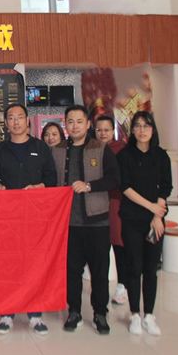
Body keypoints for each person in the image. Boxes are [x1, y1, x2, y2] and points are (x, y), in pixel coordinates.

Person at [51, 105, 119, 335]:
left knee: (99, 271)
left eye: (79, 121)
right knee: (71, 271)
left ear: (88, 124)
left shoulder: (100, 148)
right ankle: (74, 311)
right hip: (68, 223)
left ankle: (100, 313)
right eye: (70, 122)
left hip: (97, 222)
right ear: (65, 124)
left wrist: (90, 186)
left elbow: (114, 179)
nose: (75, 126)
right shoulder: (57, 150)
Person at [0, 103, 57, 335]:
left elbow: (51, 178)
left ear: (27, 120)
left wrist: (39, 187)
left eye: (20, 117)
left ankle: (35, 314)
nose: (16, 121)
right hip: (6, 217)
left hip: (34, 217)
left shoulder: (41, 147)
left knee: (33, 265)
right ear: (6, 123)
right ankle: (6, 313)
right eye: (11, 118)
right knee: (7, 265)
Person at [118, 111, 172, 336]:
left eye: (146, 126)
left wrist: (157, 216)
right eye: (138, 126)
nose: (142, 130)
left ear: (153, 129)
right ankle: (134, 315)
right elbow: (125, 187)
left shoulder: (161, 156)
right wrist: (151, 207)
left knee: (151, 268)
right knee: (134, 267)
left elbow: (165, 187)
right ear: (132, 130)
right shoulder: (124, 155)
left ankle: (149, 314)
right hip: (132, 219)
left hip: (154, 222)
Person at [95, 115, 128, 305]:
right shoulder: (91, 149)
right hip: (95, 203)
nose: (103, 134)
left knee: (118, 244)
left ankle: (122, 285)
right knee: (99, 249)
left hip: (115, 203)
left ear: (113, 131)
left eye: (106, 130)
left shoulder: (122, 150)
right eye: (99, 130)